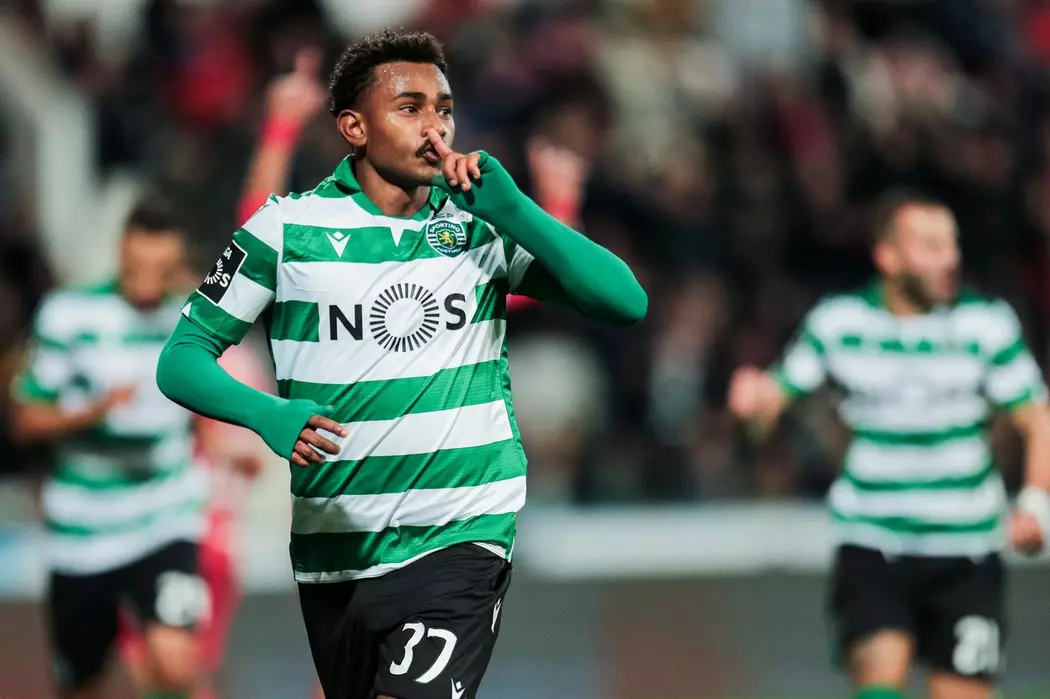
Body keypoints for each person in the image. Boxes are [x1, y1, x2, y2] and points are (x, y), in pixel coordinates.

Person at [155, 28, 646, 699]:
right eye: (409, 108)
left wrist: (517, 209)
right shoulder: (285, 229)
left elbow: (624, 301)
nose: (434, 126)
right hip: (337, 547)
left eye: (444, 109)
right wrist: (266, 414)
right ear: (354, 127)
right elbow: (181, 358)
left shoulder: (478, 228)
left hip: (461, 531)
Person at [728, 191, 1050, 699]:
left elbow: (1037, 419)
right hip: (874, 540)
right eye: (930, 245)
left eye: (951, 244)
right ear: (888, 257)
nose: (949, 258)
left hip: (966, 546)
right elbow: (774, 400)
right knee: (880, 680)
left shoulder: (986, 325)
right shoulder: (840, 323)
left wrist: (1034, 504)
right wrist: (751, 406)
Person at [116, 45, 328, 699]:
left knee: (175, 671)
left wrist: (281, 127)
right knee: (156, 673)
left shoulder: (233, 342)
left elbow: (256, 229)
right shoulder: (153, 335)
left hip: (212, 528)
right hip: (154, 523)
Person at [12, 200, 209, 699]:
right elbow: (26, 418)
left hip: (165, 514)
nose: (147, 282)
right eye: (136, 267)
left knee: (175, 662)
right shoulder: (69, 314)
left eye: (160, 270)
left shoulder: (193, 317)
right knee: (83, 682)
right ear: (120, 253)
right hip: (84, 529)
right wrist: (91, 413)